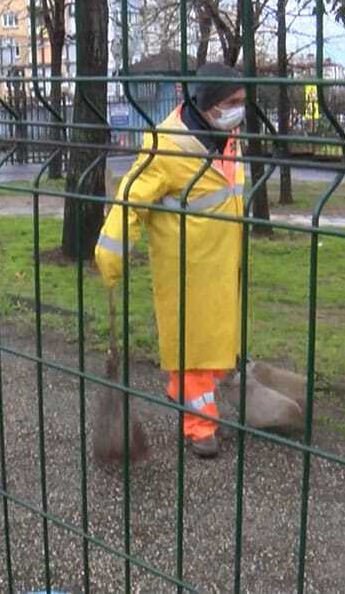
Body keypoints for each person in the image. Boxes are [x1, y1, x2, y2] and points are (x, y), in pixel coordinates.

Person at [94, 63, 247, 459]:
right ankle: (199, 426)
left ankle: (186, 393)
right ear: (209, 103)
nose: (238, 111)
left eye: (242, 103)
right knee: (193, 342)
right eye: (232, 103)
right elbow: (131, 197)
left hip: (224, 264)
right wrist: (111, 253)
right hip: (186, 269)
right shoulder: (167, 145)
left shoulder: (227, 136)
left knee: (214, 341)